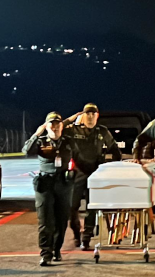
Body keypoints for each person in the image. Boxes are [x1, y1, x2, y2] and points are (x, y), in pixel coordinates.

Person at [62, 103, 120, 251]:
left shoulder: (102, 131)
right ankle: (77, 234)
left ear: (97, 116)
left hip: (96, 173)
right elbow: (57, 128)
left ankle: (86, 237)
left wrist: (110, 167)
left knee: (91, 207)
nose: (90, 117)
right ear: (83, 116)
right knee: (72, 207)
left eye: (93, 114)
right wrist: (71, 119)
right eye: (87, 113)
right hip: (77, 172)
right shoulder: (74, 130)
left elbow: (115, 150)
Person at [23, 112, 72, 266]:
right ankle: (46, 253)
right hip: (45, 183)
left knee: (62, 220)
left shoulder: (69, 141)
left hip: (63, 182)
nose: (55, 127)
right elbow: (26, 150)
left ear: (62, 126)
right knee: (45, 220)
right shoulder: (41, 141)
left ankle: (56, 249)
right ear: (46, 126)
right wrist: (37, 134)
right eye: (51, 124)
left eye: (57, 124)